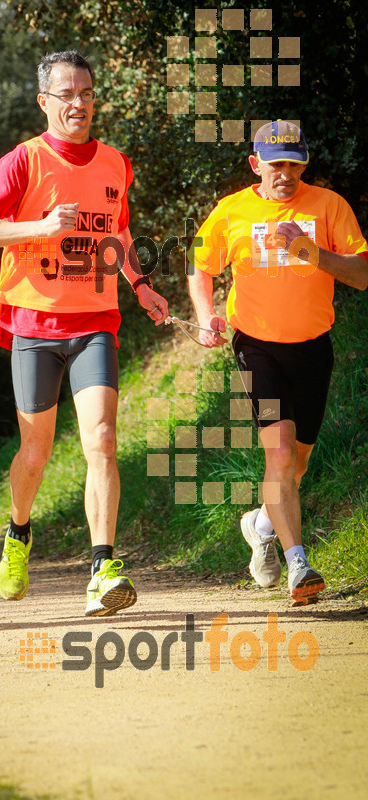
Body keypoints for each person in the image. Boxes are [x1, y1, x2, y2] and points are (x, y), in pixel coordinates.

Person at [0, 50, 168, 616]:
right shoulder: (23, 161)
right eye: (66, 94)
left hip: (96, 322)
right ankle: (18, 533)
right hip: (35, 323)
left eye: (86, 93)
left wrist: (141, 284)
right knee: (36, 451)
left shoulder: (116, 164)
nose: (78, 104)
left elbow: (117, 230)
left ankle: (103, 567)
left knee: (101, 439)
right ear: (44, 101)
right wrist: (40, 226)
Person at [187, 120, 368, 605]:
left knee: (298, 463)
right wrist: (206, 315)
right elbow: (200, 266)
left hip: (313, 346)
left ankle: (260, 522)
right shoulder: (233, 211)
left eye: (294, 163)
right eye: (276, 164)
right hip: (256, 346)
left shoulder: (329, 206)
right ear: (256, 165)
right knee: (281, 455)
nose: (285, 173)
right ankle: (298, 563)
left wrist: (310, 251)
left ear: (304, 163)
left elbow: (361, 274)